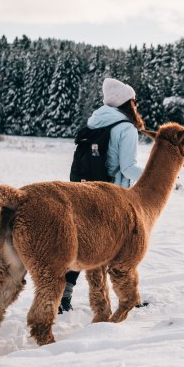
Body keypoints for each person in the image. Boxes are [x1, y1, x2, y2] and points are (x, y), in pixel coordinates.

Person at [60, 77, 146, 313]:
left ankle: (63, 296)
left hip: (85, 192)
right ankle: (129, 297)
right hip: (112, 197)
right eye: (134, 101)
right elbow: (128, 168)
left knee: (82, 244)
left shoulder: (96, 122)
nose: (136, 104)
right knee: (126, 248)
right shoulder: (126, 128)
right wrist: (154, 174)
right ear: (127, 103)